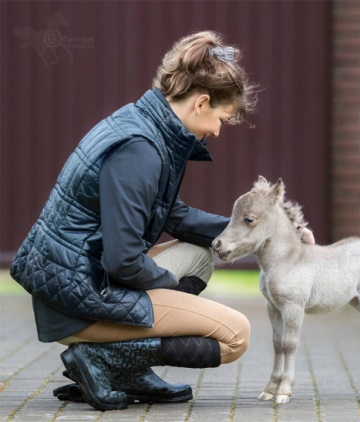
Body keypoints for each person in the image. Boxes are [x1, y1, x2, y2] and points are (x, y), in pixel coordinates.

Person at [10, 31, 258, 411]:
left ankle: (125, 367)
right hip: (76, 300)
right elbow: (123, 260)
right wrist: (170, 290)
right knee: (236, 336)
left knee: (200, 255)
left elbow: (175, 215)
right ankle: (104, 359)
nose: (216, 131)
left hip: (83, 279)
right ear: (202, 102)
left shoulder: (145, 125)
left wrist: (260, 234)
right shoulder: (140, 150)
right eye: (221, 118)